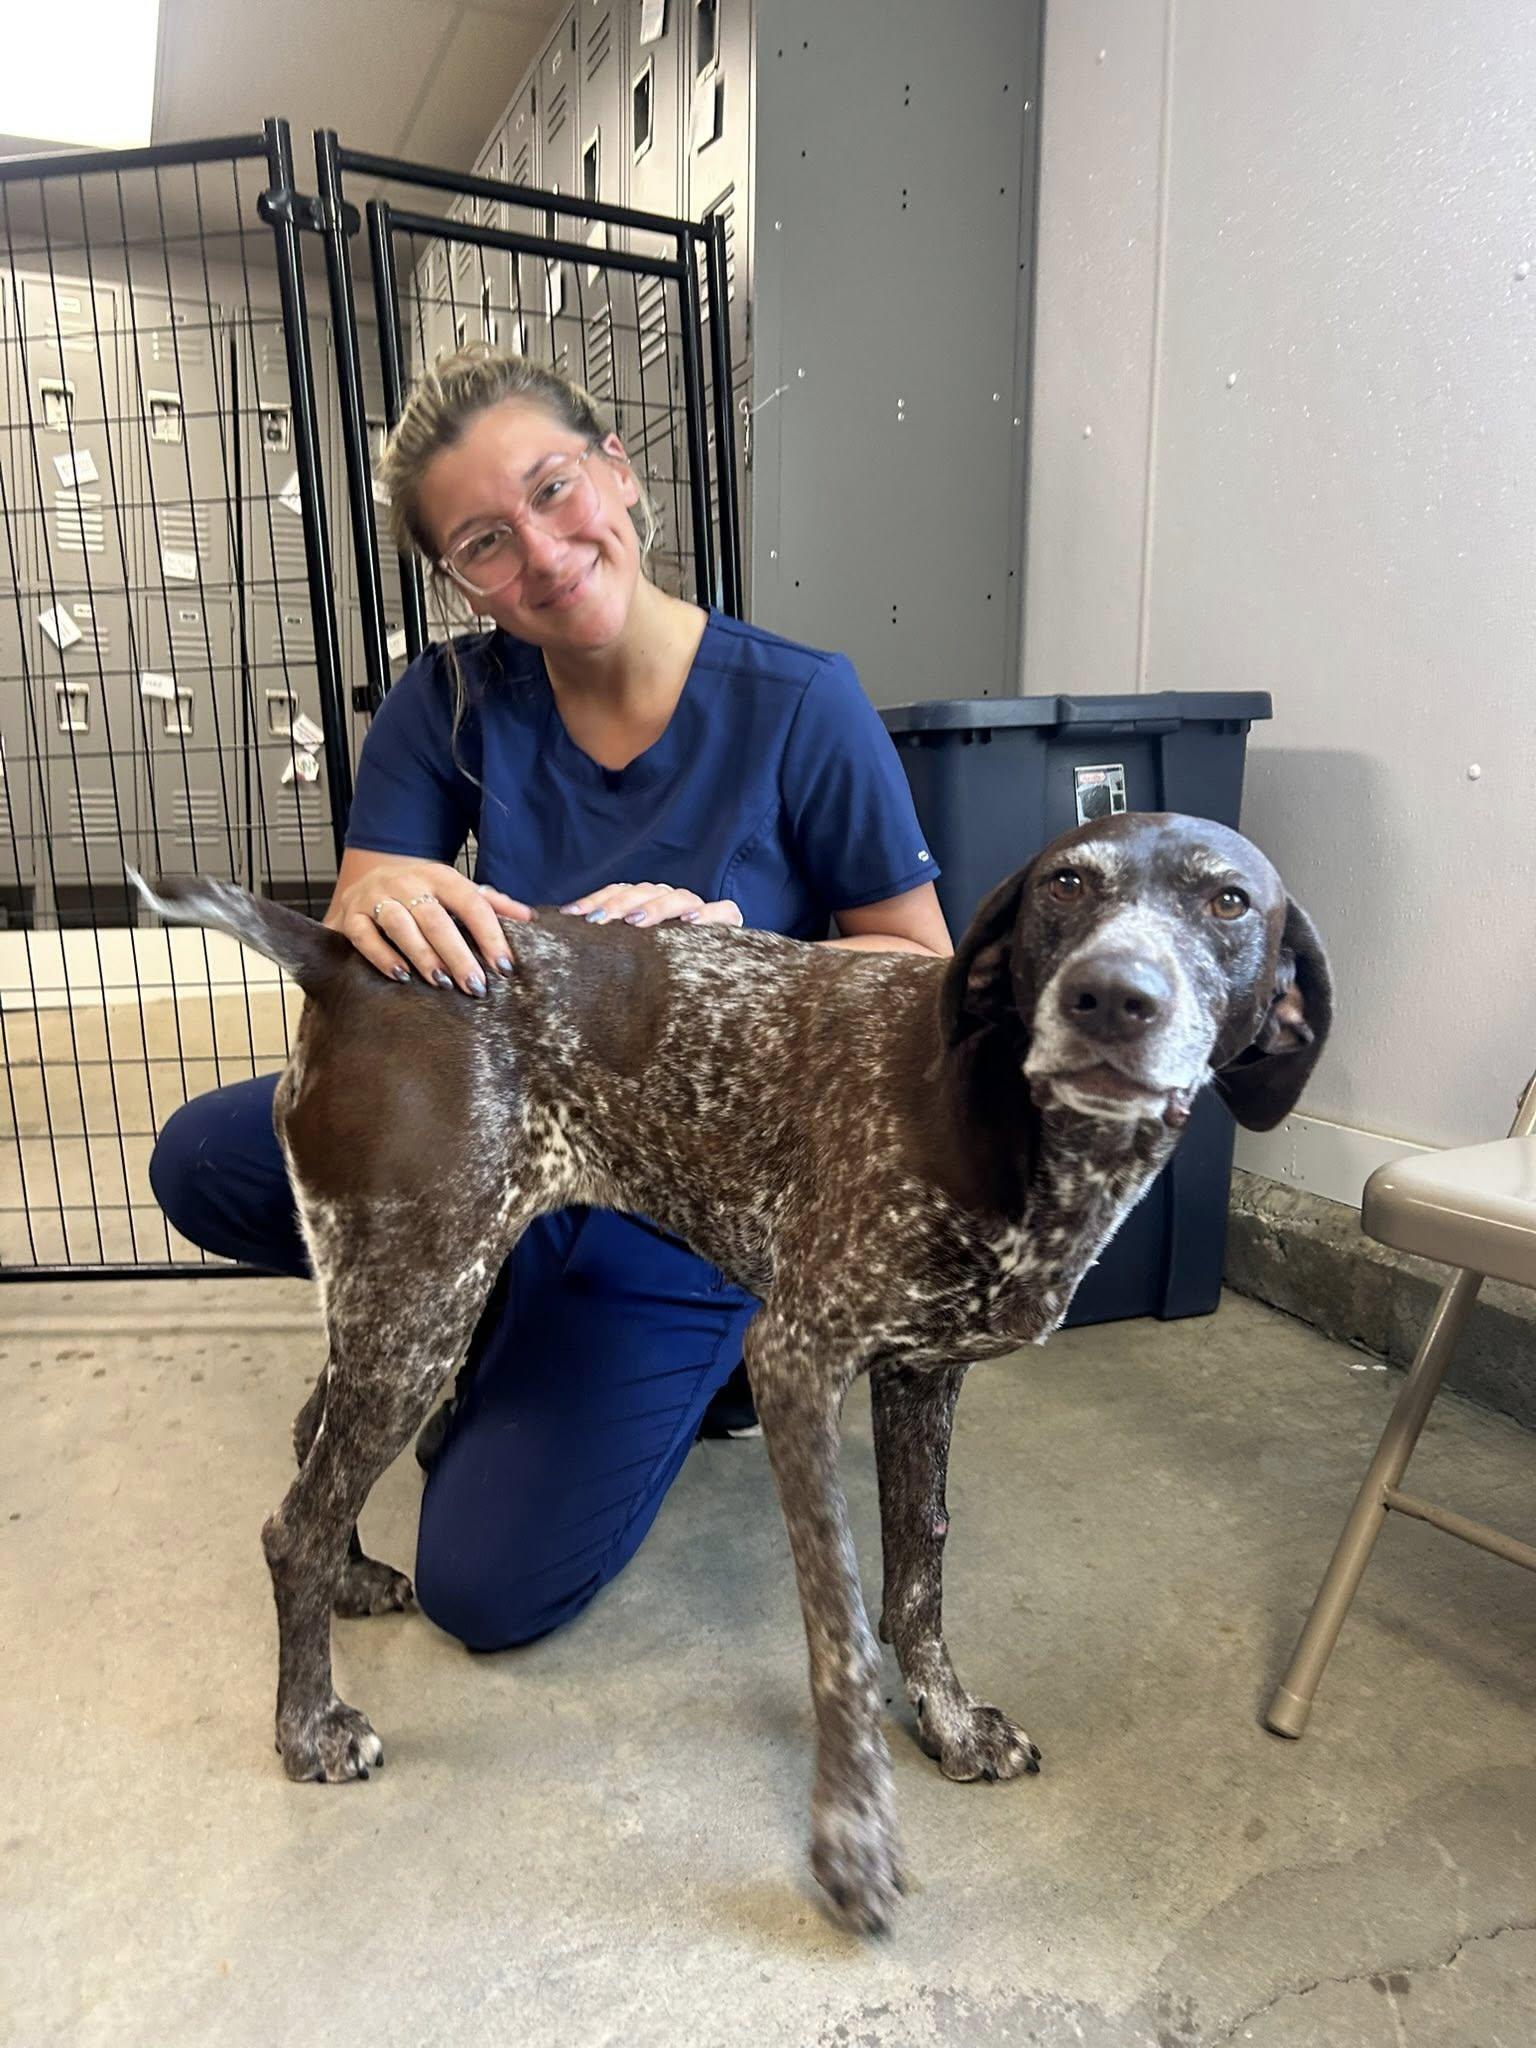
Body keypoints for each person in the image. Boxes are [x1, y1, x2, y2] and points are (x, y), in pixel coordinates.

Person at [149, 345, 951, 1652]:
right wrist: (378, 911)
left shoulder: (805, 702)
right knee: (206, 1158)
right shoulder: (452, 700)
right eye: (483, 541)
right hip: (497, 1125)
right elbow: (370, 909)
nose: (542, 549)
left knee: (486, 1589)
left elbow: (920, 977)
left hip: (696, 1192)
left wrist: (740, 951)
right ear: (456, 577)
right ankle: (471, 1292)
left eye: (555, 488)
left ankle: (693, 1361)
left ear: (619, 474)